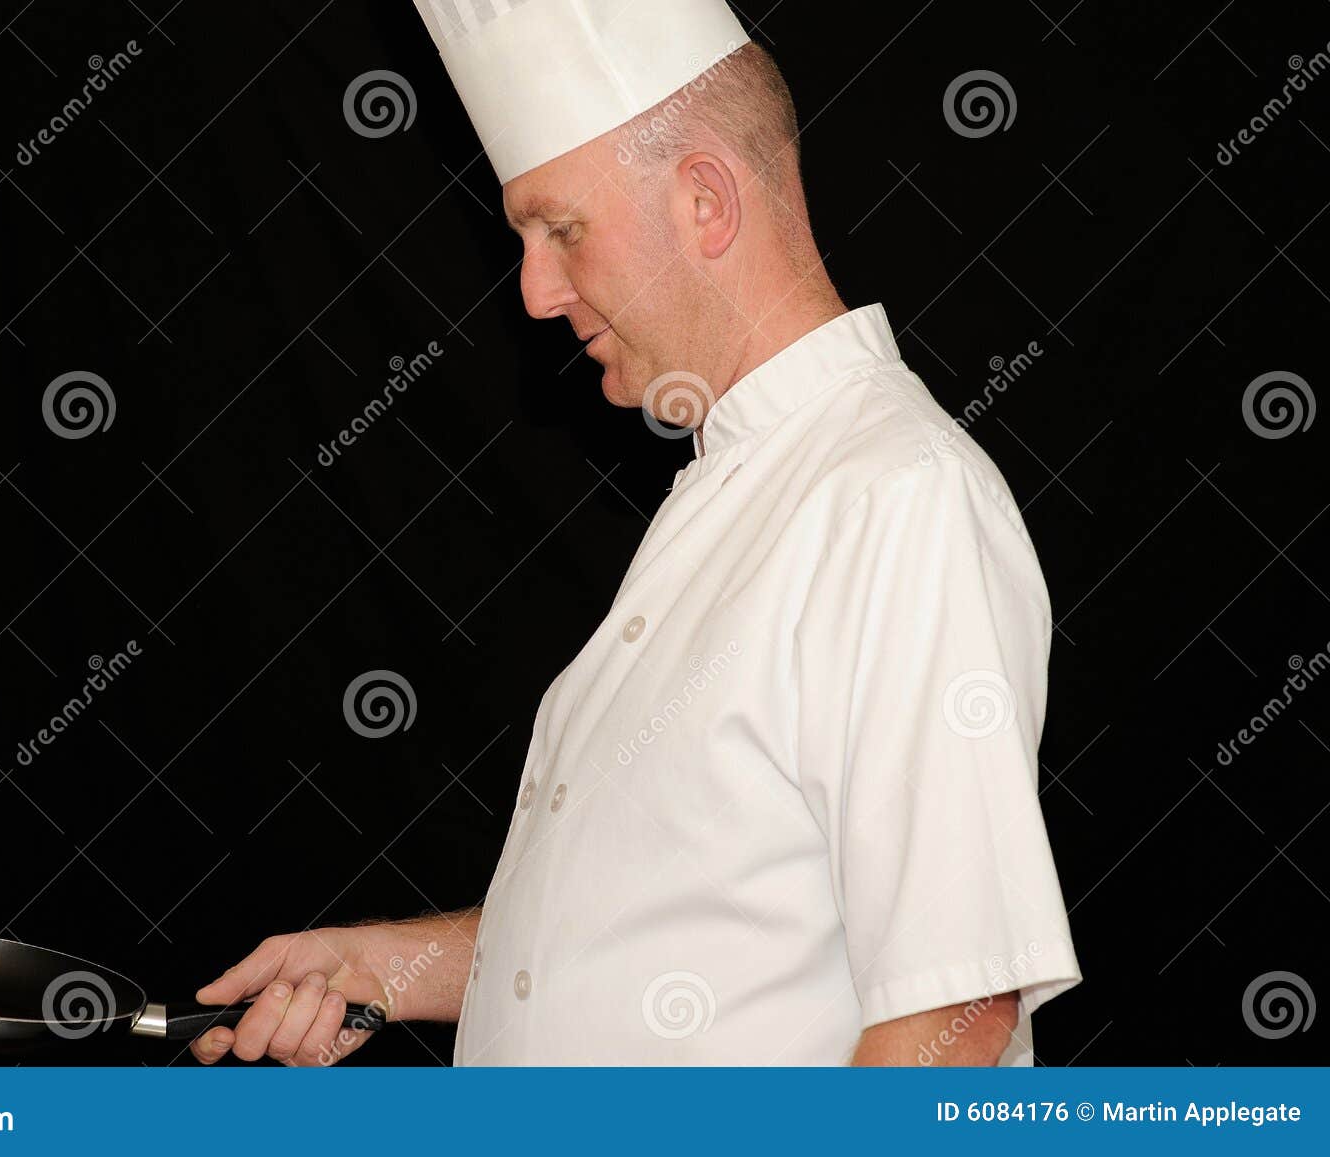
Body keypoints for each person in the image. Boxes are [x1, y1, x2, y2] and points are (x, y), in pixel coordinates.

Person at [191, 0, 1081, 1067]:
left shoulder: (895, 494)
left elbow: (957, 1011)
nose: (534, 291)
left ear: (705, 199)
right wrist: (385, 967)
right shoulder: (730, 492)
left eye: (561, 229)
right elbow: (665, 928)